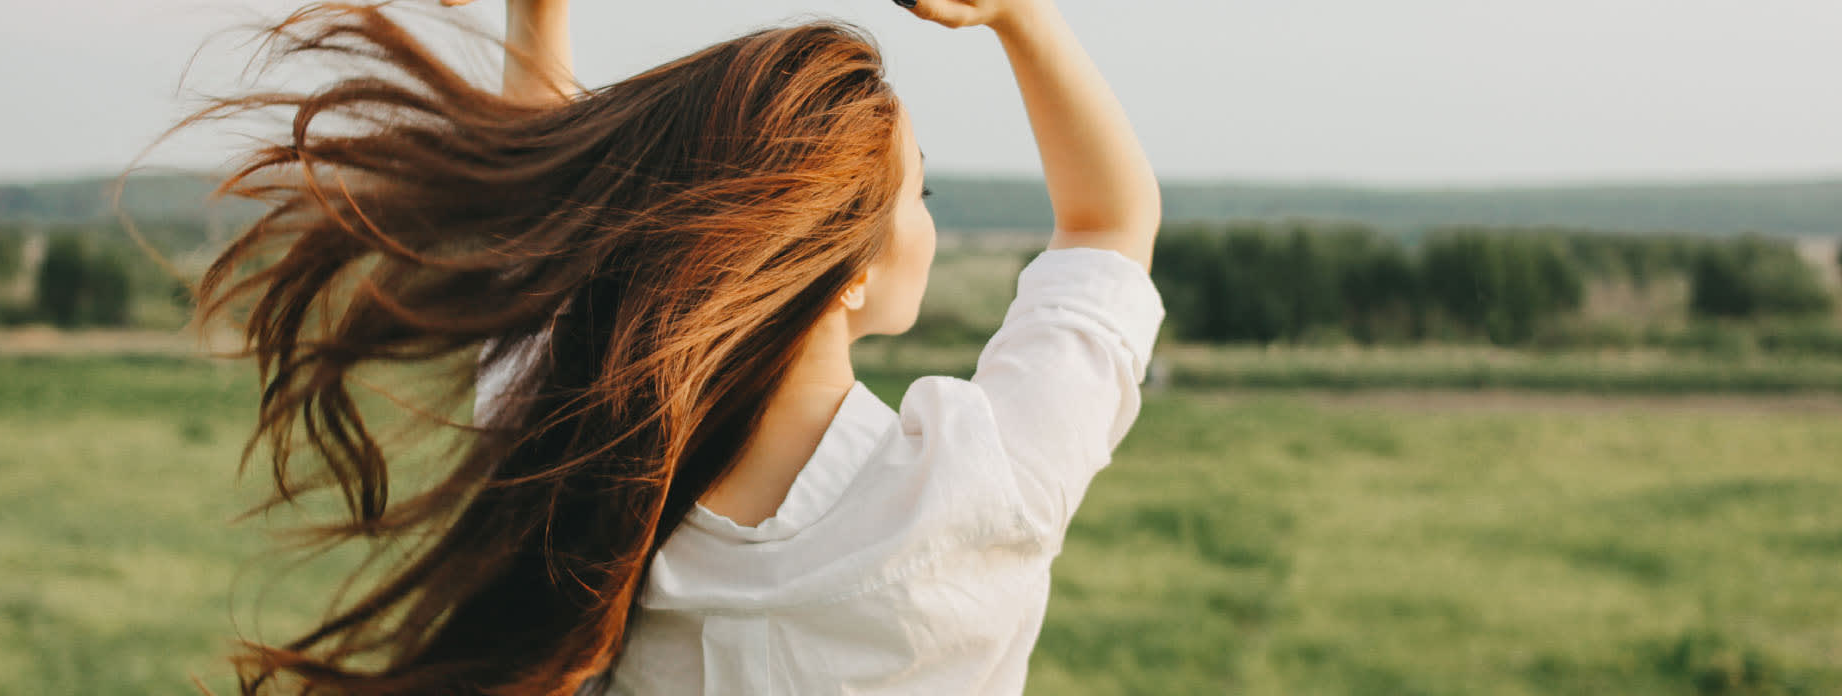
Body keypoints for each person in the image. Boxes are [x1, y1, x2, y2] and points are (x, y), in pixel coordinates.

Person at [189, 0, 1162, 693]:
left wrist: (536, 12)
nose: (927, 221)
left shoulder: (571, 458)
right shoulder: (978, 486)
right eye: (920, 196)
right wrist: (1023, 17)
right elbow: (1108, 226)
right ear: (847, 265)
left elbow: (540, 243)